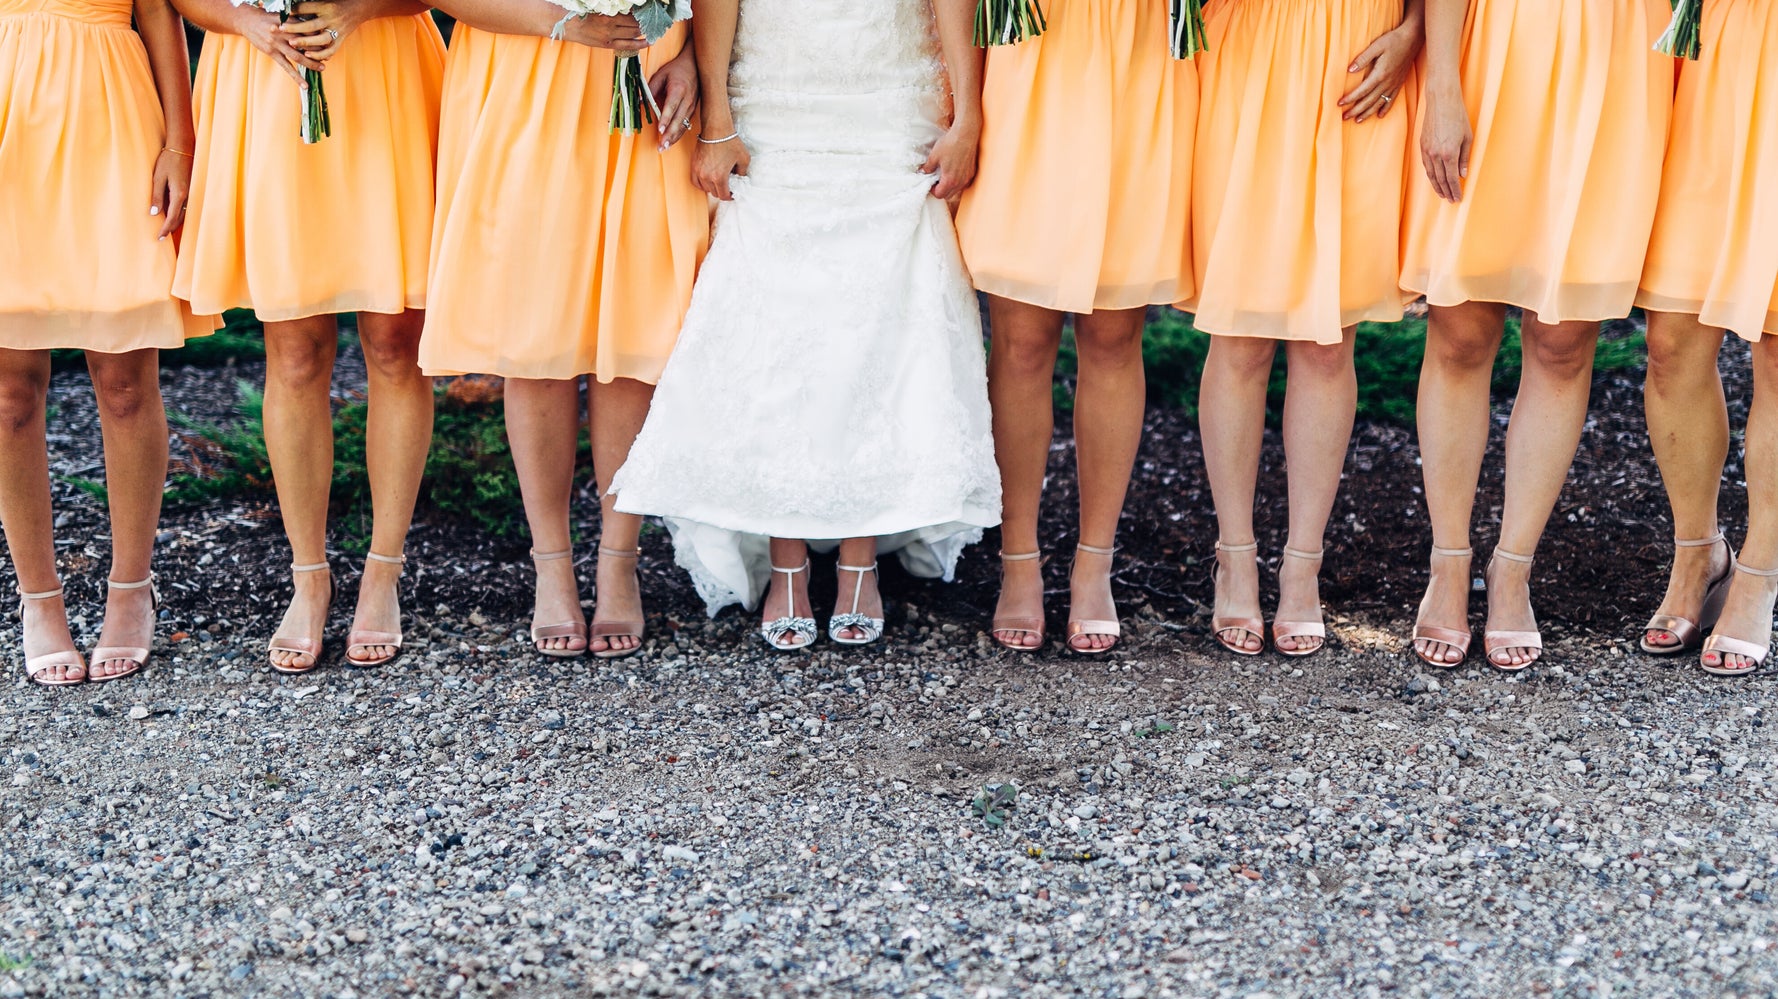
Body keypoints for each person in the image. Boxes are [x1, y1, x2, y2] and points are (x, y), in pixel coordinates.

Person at [608, 0, 1000, 651]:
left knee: (879, 312)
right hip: (773, 87)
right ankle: (785, 555)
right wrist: (718, 122)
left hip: (889, 85)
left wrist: (967, 116)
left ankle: (859, 554)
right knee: (777, 311)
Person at [420, 0, 705, 659]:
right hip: (524, 78)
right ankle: (551, 566)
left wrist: (692, 57)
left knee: (633, 325)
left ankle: (617, 560)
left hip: (645, 67)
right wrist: (561, 21)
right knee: (535, 330)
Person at [172, 0, 445, 673]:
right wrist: (245, 21)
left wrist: (356, 10)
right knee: (294, 353)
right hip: (266, 78)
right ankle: (309, 576)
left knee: (394, 342)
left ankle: (384, 571)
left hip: (384, 72)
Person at [1403, 0, 1671, 670]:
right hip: (1494, 46)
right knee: (1460, 333)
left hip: (1617, 63)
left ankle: (1513, 567)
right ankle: (1448, 560)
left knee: (1562, 343)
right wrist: (1441, 83)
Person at [955, 0, 1195, 654]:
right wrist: (964, 109)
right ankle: (1019, 557)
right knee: (1022, 342)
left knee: (1115, 337)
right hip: (1034, 62)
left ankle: (1095, 563)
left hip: (1136, 57)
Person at [1186, 0, 1422, 657]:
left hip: (1360, 51)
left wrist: (1415, 29)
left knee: (1328, 341)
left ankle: (1302, 567)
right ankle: (1235, 557)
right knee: (1239, 335)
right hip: (1251, 52)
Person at [0, 0, 212, 685]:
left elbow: (158, 10)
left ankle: (130, 587)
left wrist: (179, 144)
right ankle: (39, 599)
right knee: (7, 395)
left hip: (112, 112)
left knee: (124, 382)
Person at [1636, 0, 1778, 676]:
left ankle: (1758, 572)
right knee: (1672, 342)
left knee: (1777, 350)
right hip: (1717, 55)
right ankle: (1698, 549)